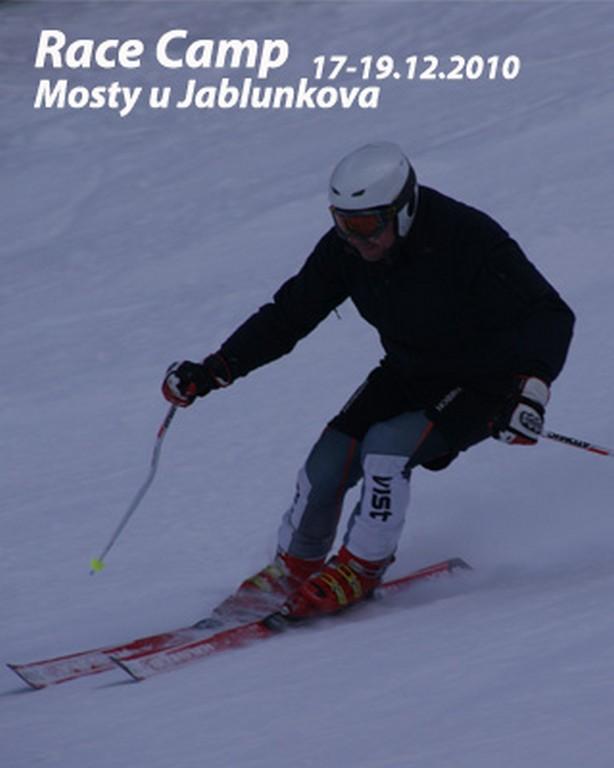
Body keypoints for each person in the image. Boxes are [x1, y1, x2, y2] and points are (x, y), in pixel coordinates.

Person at [162, 142, 575, 620]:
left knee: (385, 448)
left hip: (485, 382)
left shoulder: (467, 238)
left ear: (404, 209)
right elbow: (288, 315)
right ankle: (294, 568)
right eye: (342, 222)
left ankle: (361, 567)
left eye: (365, 225)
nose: (355, 239)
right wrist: (216, 368)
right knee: (327, 460)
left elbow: (549, 314)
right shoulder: (346, 250)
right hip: (408, 371)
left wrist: (531, 391)